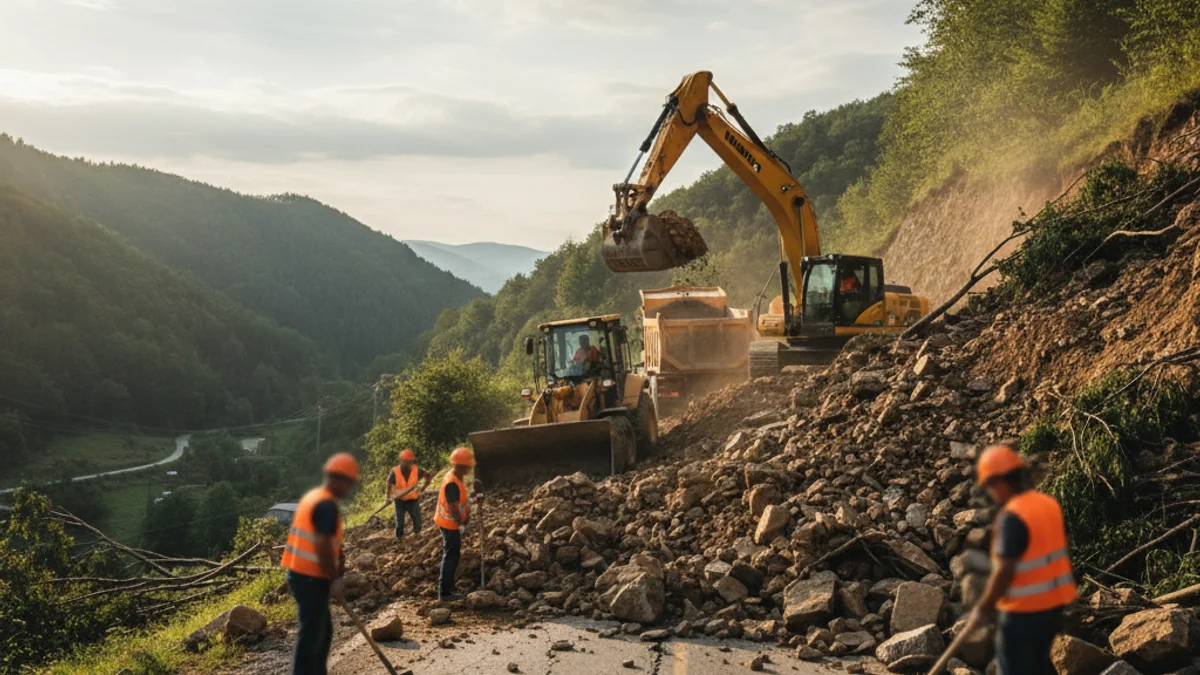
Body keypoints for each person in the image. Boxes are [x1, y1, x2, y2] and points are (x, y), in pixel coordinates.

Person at [967, 442, 1077, 675]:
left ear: (999, 482)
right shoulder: (1048, 505)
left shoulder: (1013, 516)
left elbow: (1005, 570)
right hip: (1053, 609)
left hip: (1022, 616)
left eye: (990, 486)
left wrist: (984, 607)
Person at [282, 452, 359, 675]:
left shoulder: (314, 496)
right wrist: (334, 577)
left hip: (300, 573)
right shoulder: (326, 505)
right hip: (310, 578)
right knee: (311, 637)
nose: (349, 489)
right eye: (349, 483)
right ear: (339, 480)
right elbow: (323, 545)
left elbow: (331, 544)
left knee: (322, 634)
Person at [434, 447, 482, 602]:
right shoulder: (451, 483)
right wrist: (461, 523)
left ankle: (450, 588)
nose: (469, 469)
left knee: (453, 554)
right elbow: (454, 507)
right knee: (451, 555)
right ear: (461, 466)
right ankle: (445, 593)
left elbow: (460, 502)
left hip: (451, 521)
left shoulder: (456, 477)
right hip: (449, 522)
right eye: (468, 466)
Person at [386, 448, 432, 540]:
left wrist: (423, 488)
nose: (409, 464)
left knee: (416, 518)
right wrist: (388, 497)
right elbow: (388, 483)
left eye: (410, 461)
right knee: (400, 521)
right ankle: (400, 537)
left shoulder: (416, 470)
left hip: (412, 498)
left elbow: (428, 477)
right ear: (401, 461)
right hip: (399, 499)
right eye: (407, 462)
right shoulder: (395, 471)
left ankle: (417, 533)